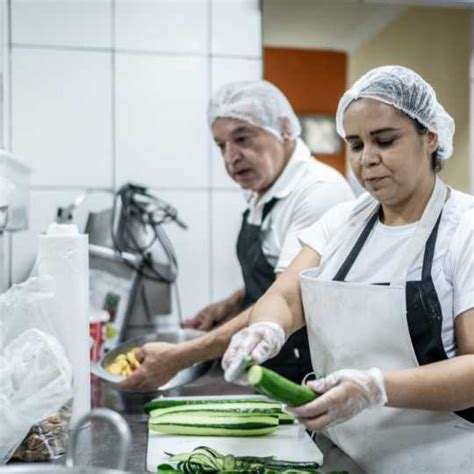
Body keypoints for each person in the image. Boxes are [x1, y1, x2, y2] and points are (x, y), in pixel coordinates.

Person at [222, 66, 474, 474]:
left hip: (441, 459)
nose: (367, 159)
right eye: (355, 144)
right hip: (345, 455)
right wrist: (264, 330)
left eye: (385, 140)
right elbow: (286, 297)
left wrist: (376, 388)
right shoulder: (342, 222)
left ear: (430, 137)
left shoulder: (465, 229)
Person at [120, 80, 354, 390]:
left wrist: (180, 356)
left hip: (310, 374)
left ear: (284, 130)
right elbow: (274, 273)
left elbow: (287, 297)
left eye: (242, 138)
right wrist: (231, 304)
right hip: (272, 361)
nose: (231, 157)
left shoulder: (318, 193)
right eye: (221, 145)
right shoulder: (263, 191)